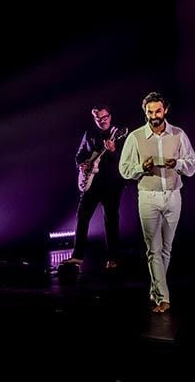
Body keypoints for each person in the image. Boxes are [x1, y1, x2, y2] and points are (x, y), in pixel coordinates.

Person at [119, 92, 195, 313]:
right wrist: (140, 168)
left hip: (173, 195)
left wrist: (178, 163)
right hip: (148, 197)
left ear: (165, 111)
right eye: (150, 112)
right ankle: (163, 298)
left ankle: (155, 289)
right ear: (145, 112)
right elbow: (124, 170)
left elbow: (192, 163)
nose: (154, 115)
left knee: (166, 249)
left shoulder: (178, 134)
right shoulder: (135, 137)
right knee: (153, 249)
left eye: (158, 111)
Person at [61, 104, 128, 270]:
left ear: (110, 116)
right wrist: (81, 165)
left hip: (112, 184)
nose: (102, 121)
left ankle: (113, 258)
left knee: (111, 220)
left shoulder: (119, 135)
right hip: (91, 183)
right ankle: (77, 257)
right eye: (99, 118)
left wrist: (113, 151)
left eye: (105, 117)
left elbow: (126, 161)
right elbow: (79, 155)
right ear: (95, 118)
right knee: (82, 217)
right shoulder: (89, 134)